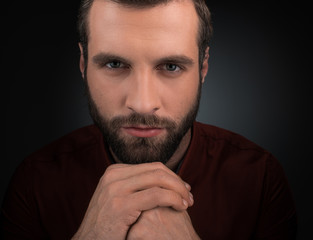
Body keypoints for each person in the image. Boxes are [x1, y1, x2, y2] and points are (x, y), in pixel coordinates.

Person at [1, 0, 297, 239]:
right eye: (114, 64)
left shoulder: (261, 180)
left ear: (204, 67)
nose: (142, 104)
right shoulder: (34, 182)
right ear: (82, 63)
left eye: (170, 66)